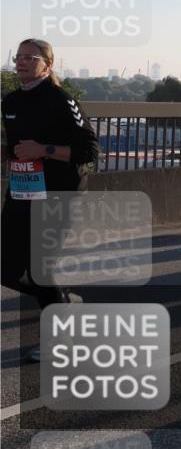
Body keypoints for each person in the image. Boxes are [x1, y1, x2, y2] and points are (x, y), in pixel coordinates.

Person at [2, 38, 99, 362]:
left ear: (48, 64)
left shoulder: (60, 99)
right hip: (22, 191)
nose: (21, 62)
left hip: (58, 193)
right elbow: (19, 147)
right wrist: (7, 152)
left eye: (30, 57)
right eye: (19, 57)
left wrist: (43, 150)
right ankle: (63, 301)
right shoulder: (11, 101)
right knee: (6, 269)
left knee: (40, 270)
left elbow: (89, 151)